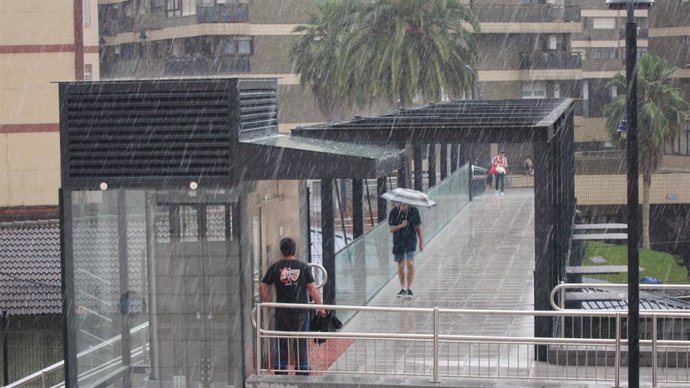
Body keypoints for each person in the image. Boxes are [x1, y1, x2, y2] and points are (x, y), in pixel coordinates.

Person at [260, 237, 326, 375]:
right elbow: (313, 290)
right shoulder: (303, 267)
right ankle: (302, 368)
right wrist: (321, 307)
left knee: (281, 340)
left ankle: (280, 368)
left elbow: (262, 287)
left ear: (281, 250)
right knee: (300, 340)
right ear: (294, 250)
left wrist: (268, 303)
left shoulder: (276, 267)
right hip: (300, 312)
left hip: (282, 312)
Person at [388, 202, 424, 298]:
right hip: (398, 241)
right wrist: (400, 225)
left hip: (411, 240)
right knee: (400, 265)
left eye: (405, 205)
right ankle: (403, 288)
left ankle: (409, 288)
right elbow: (391, 229)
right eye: (402, 205)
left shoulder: (414, 211)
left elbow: (418, 228)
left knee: (410, 263)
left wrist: (421, 242)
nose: (404, 207)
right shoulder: (394, 212)